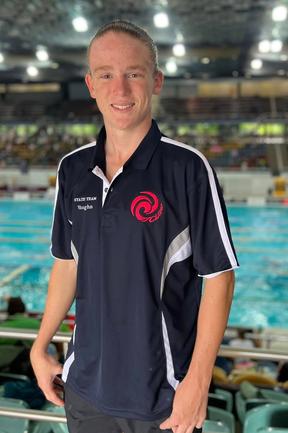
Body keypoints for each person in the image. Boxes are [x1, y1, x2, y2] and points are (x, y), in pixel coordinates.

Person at [30, 20, 239, 433]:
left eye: (134, 74)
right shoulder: (73, 169)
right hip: (84, 391)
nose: (119, 90)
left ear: (156, 81)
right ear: (91, 84)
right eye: (106, 75)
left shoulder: (188, 169)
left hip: (161, 396)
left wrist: (198, 381)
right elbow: (67, 264)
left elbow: (219, 276)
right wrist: (40, 345)